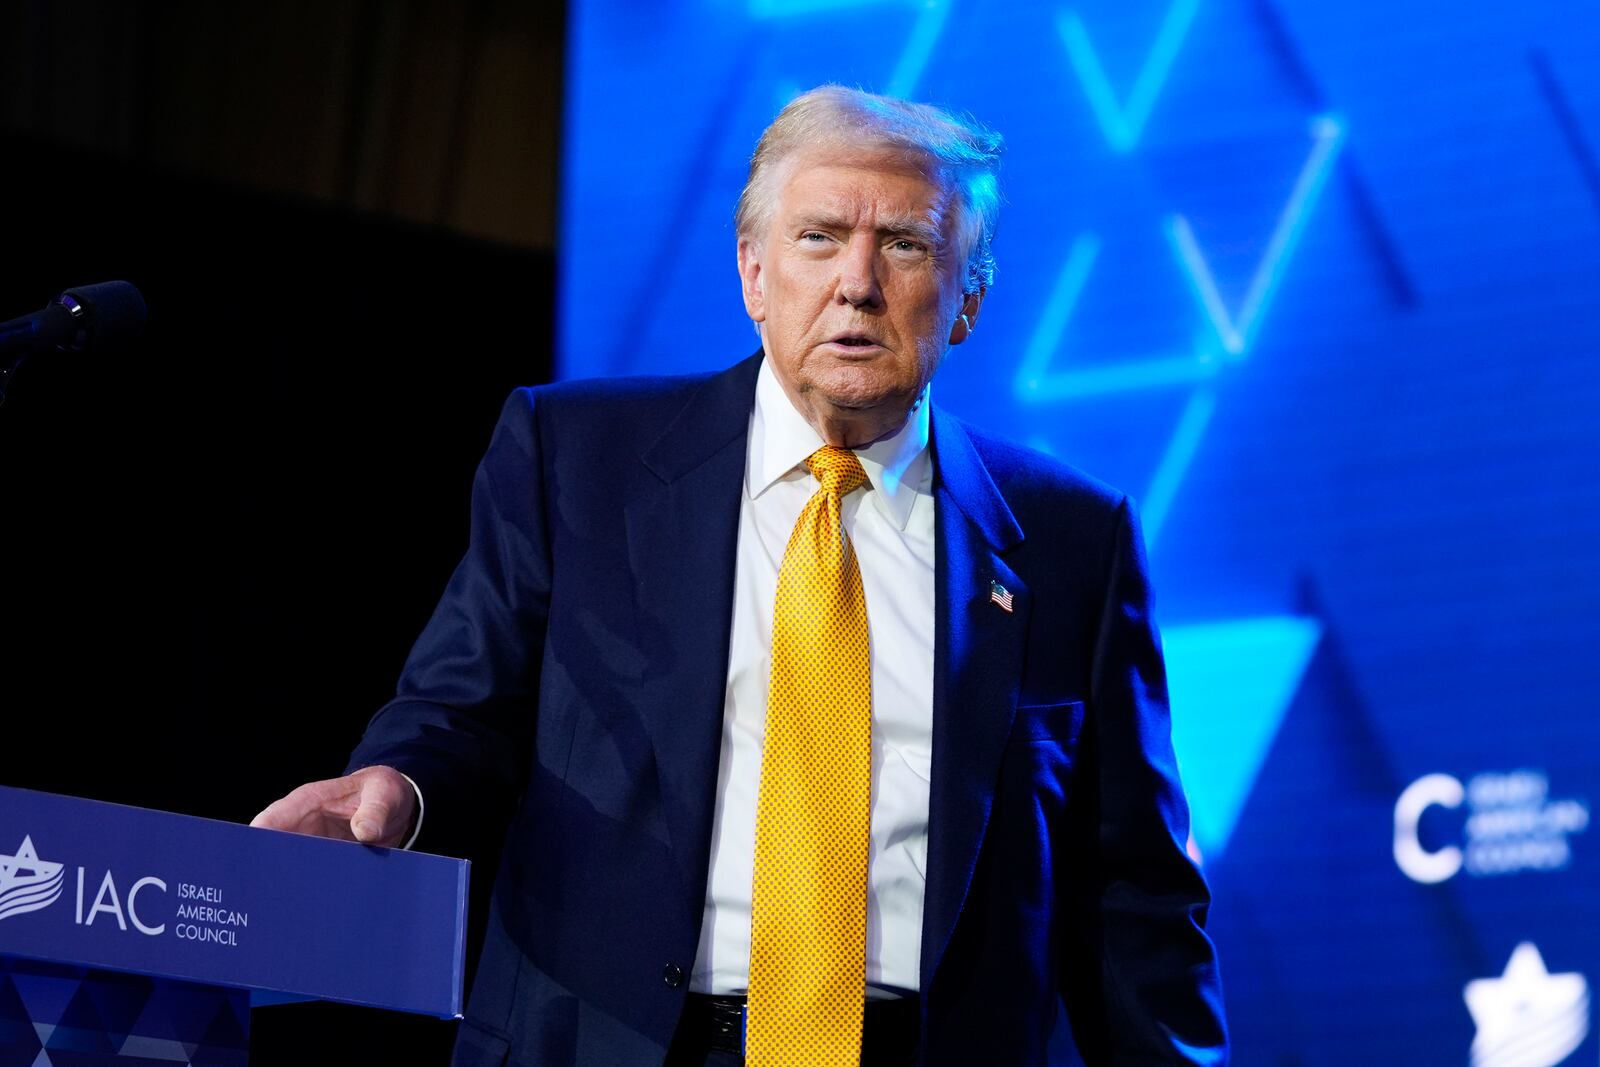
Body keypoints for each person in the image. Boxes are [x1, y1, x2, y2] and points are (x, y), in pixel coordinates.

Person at [252, 85, 1228, 1066]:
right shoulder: (577, 455)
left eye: (902, 243)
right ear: (753, 272)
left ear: (967, 295)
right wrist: (398, 786)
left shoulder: (1070, 535)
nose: (855, 282)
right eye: (817, 237)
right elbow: (462, 707)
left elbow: (1130, 886)